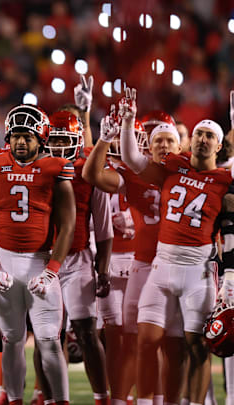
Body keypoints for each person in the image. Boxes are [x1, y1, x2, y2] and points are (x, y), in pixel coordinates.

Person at [119, 88, 229, 405]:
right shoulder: (173, 166)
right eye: (199, 134)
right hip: (162, 265)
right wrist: (128, 123)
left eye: (210, 136)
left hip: (199, 271)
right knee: (145, 340)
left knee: (197, 347)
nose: (203, 140)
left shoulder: (225, 180)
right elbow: (132, 159)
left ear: (218, 145)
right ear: (190, 140)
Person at [84, 102, 185, 405]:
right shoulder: (134, 171)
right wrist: (106, 137)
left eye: (169, 140)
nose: (163, 145)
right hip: (143, 264)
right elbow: (94, 175)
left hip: (177, 264)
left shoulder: (187, 170)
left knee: (175, 343)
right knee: (134, 340)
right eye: (157, 140)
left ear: (181, 144)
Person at [0, 104, 75, 405]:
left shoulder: (57, 167)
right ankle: (14, 399)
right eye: (15, 135)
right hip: (4, 264)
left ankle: (60, 401)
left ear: (40, 138)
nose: (20, 142)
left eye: (27, 136)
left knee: (48, 340)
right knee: (12, 341)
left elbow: (67, 226)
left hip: (40, 263)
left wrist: (52, 270)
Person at [44, 110, 113, 405]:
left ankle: (102, 397)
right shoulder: (37, 169)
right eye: (55, 141)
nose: (59, 147)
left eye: (65, 141)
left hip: (77, 258)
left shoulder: (88, 171)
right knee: (48, 337)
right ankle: (48, 398)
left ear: (77, 141)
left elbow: (104, 226)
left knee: (86, 332)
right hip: (42, 260)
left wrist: (104, 269)